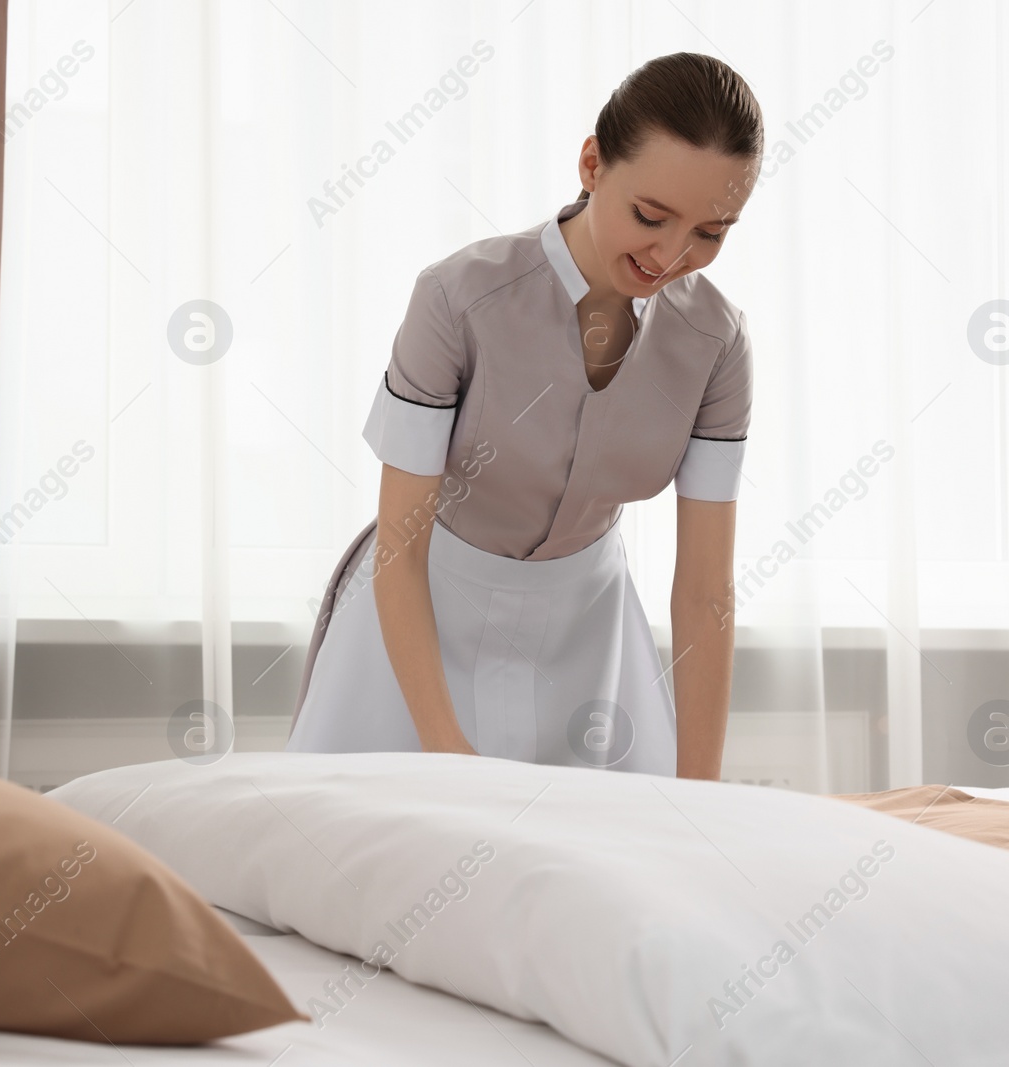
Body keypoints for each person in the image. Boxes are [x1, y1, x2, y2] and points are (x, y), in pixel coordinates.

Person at [284, 53, 761, 780]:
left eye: (711, 232)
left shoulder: (715, 342)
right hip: (421, 620)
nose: (672, 255)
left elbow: (704, 591)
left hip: (588, 633)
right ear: (593, 163)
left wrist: (701, 790)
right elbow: (400, 547)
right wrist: (447, 746)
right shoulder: (457, 299)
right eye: (651, 217)